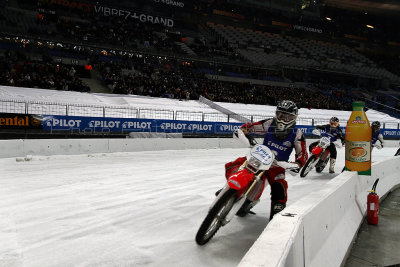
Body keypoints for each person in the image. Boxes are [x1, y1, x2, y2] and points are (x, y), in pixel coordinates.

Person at [225, 100, 308, 220]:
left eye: (287, 116)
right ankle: (229, 189)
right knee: (234, 165)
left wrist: (297, 164)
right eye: (281, 115)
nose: (283, 119)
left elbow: (303, 153)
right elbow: (250, 127)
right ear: (276, 113)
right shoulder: (270, 123)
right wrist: (244, 131)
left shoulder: (297, 133)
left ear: (294, 117)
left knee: (279, 189)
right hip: (259, 157)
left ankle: (275, 218)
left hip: (277, 165)